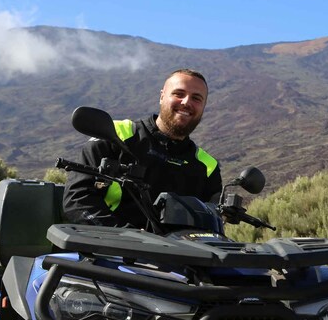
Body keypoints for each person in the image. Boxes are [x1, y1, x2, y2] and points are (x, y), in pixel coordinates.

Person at [62, 68, 222, 229]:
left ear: (203, 106)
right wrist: (128, 238)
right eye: (178, 94)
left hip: (178, 252)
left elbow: (212, 223)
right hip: (110, 249)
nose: (186, 102)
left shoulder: (208, 166)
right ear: (162, 96)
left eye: (196, 98)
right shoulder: (115, 135)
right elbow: (78, 199)